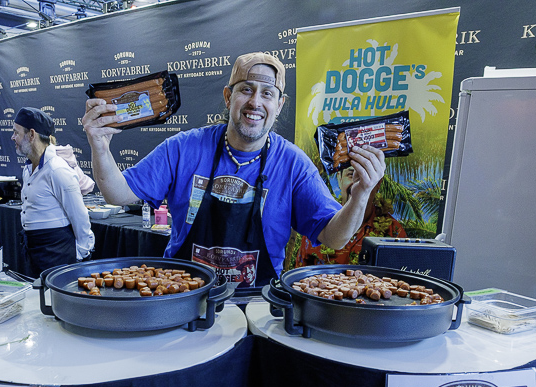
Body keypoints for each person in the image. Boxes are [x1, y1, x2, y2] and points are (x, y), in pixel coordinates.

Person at [82, 52, 386, 288]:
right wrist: (100, 146)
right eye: (246, 90)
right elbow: (117, 194)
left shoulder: (293, 164)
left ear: (279, 105)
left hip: (256, 302)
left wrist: (359, 196)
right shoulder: (185, 148)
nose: (255, 102)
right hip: (182, 293)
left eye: (267, 93)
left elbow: (334, 238)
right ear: (228, 97)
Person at [12, 107, 94, 277]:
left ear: (31, 135)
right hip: (34, 249)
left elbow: (79, 215)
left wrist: (80, 252)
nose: (13, 137)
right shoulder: (28, 168)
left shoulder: (57, 169)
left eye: (16, 133)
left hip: (57, 252)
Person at [294, 165, 407, 267]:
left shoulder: (394, 232)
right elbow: (299, 277)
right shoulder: (319, 224)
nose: (358, 185)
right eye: (351, 175)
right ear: (339, 179)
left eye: (366, 176)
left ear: (378, 183)